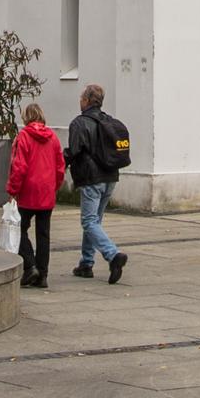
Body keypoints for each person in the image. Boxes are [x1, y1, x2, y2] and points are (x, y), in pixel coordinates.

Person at [65, 83, 127, 284]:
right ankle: (86, 263)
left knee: (89, 221)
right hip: (110, 176)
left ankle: (113, 255)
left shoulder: (79, 123)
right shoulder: (109, 121)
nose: (80, 101)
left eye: (81, 98)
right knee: (94, 222)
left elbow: (74, 151)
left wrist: (58, 161)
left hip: (92, 178)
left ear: (87, 101)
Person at [5, 101, 65, 289]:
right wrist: (54, 187)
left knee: (19, 229)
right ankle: (43, 274)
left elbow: (19, 166)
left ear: (26, 117)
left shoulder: (23, 137)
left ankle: (30, 266)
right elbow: (60, 167)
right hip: (46, 192)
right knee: (43, 234)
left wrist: (12, 190)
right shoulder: (53, 138)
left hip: (28, 191)